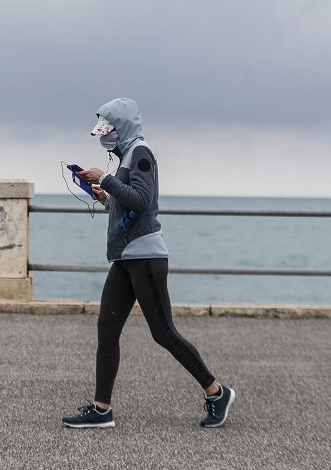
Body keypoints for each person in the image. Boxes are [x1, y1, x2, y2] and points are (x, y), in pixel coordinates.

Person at [61, 97, 235, 429]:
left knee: (164, 333)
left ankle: (217, 391)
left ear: (121, 127)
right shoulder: (127, 154)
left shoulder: (140, 152)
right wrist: (104, 195)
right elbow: (128, 202)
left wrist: (107, 179)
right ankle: (102, 409)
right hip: (126, 258)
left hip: (145, 256)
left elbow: (143, 201)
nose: (103, 136)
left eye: (107, 129)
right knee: (107, 329)